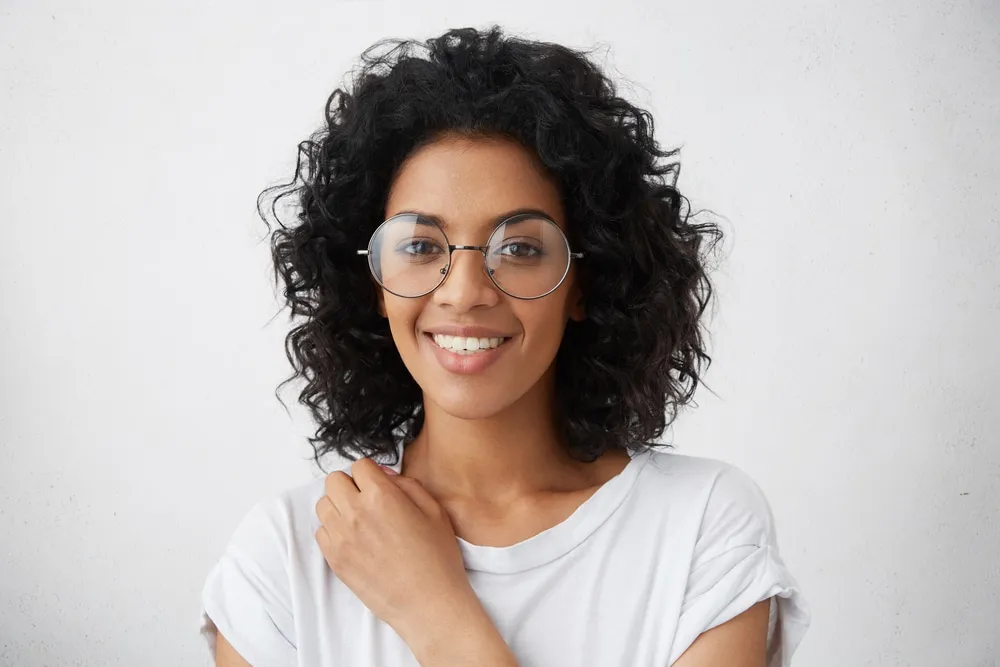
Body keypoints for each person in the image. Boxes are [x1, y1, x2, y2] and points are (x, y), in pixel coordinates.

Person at [199, 25, 810, 667]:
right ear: (374, 285)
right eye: (420, 245)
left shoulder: (701, 529)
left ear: (584, 280)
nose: (464, 293)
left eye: (518, 248)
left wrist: (435, 612)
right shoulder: (286, 558)